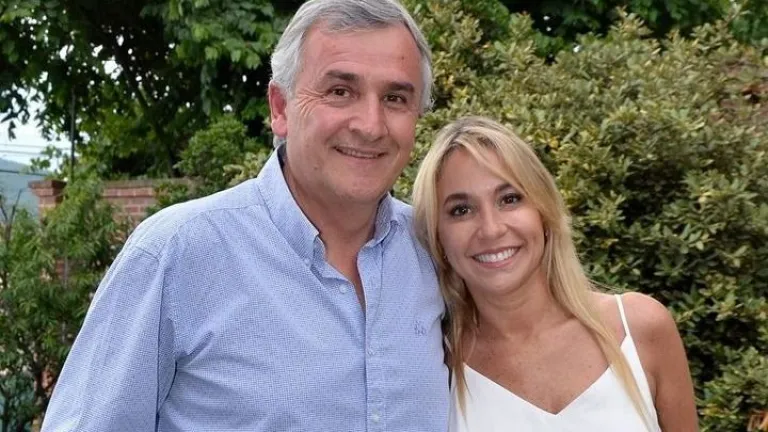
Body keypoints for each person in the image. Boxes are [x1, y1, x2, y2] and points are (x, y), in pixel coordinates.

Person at [42, 1, 450, 430]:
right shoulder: (177, 254)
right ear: (280, 108)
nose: (370, 125)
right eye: (339, 91)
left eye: (395, 98)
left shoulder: (435, 253)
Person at [412, 116, 698, 431]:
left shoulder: (640, 329)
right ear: (437, 237)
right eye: (461, 210)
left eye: (509, 199)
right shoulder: (436, 367)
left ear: (544, 212)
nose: (491, 229)